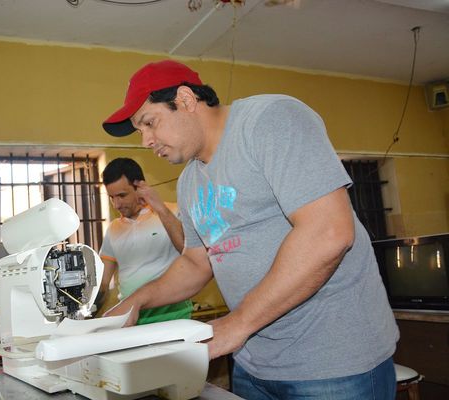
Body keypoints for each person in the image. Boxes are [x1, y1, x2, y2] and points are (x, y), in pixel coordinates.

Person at [101, 60, 399, 400]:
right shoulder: (190, 182)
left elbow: (328, 232)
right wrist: (137, 301)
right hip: (253, 363)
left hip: (332, 364)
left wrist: (237, 324)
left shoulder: (270, 121)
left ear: (185, 99)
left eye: (149, 123)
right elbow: (198, 263)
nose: (147, 140)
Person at [98, 157, 193, 325]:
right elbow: (103, 283)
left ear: (140, 187)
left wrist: (159, 208)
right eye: (112, 197)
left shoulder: (172, 211)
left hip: (174, 318)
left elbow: (188, 251)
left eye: (122, 195)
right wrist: (88, 316)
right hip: (133, 321)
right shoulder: (113, 229)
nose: (116, 204)